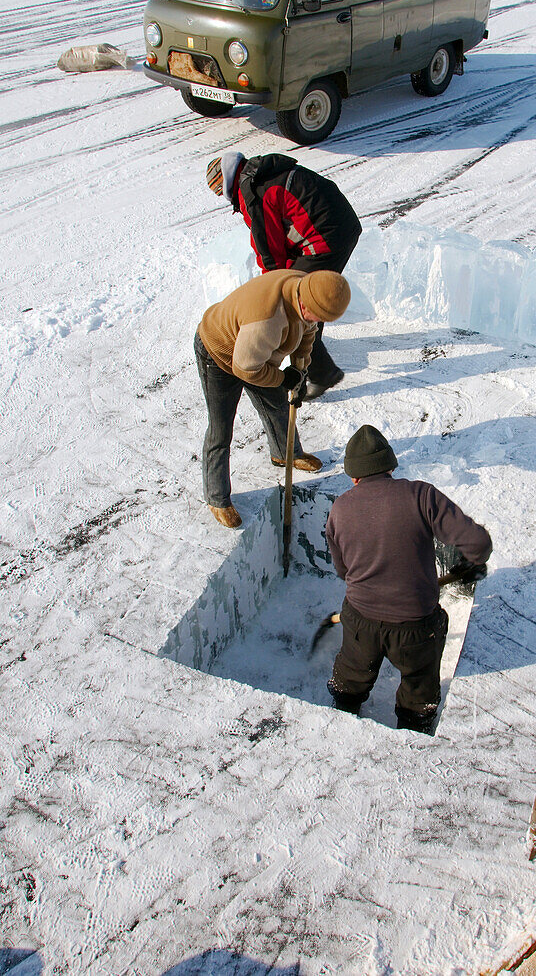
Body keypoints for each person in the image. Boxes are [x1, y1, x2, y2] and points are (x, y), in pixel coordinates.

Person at [325, 425, 492, 733]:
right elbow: (478, 544)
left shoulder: (340, 508)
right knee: (420, 685)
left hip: (360, 619)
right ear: (390, 466)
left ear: (354, 476)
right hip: (415, 626)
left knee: (350, 674)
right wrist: (471, 562)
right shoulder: (421, 496)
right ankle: (415, 725)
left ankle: (343, 711)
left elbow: (343, 571)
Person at [195, 268, 351, 528]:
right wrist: (282, 379)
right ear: (304, 302)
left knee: (278, 407)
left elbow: (309, 332)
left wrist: (300, 370)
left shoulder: (308, 289)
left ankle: (285, 453)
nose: (319, 321)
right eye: (319, 315)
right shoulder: (267, 318)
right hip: (220, 354)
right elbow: (245, 369)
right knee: (220, 429)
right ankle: (216, 497)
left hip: (255, 352)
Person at [206, 151, 361, 400]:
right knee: (301, 300)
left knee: (300, 306)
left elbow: (269, 250)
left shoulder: (252, 193)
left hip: (324, 237)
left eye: (218, 192)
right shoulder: (261, 173)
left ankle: (322, 373)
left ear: (224, 185)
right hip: (341, 224)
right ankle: (314, 358)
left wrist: (275, 289)